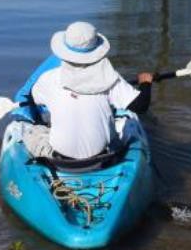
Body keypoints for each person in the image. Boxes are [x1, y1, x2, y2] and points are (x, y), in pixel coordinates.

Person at [22, 21, 154, 160]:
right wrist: (145, 83)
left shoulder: (48, 78)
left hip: (59, 158)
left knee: (30, 131)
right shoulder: (110, 78)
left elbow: (30, 98)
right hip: (100, 157)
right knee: (125, 124)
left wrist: (42, 121)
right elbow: (141, 106)